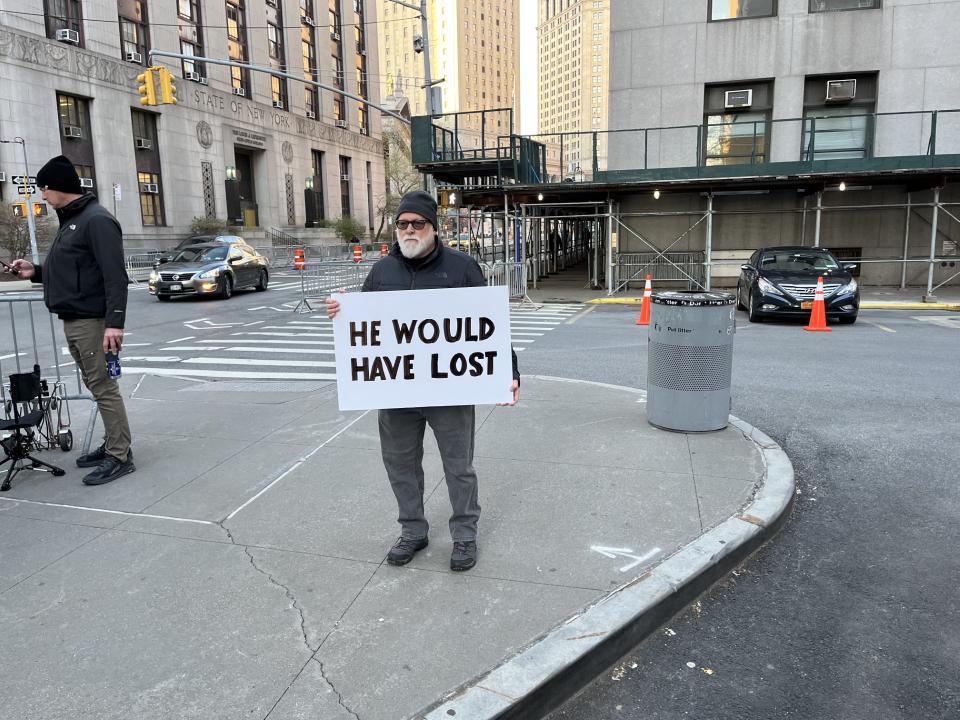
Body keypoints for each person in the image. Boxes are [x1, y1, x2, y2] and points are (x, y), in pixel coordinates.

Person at [326, 190, 519, 572]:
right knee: (400, 464)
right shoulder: (382, 271)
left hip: (449, 390)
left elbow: (489, 326)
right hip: (396, 391)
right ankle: (413, 530)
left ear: (433, 227)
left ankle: (465, 536)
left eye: (417, 223)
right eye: (402, 224)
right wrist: (342, 313)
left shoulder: (462, 267)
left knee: (458, 466)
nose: (409, 230)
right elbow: (366, 327)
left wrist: (507, 371)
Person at [10, 156, 134, 486]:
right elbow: (72, 270)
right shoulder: (73, 221)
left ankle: (120, 455)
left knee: (105, 389)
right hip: (76, 319)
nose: (42, 196)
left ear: (56, 188)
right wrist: (34, 271)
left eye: (43, 189)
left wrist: (114, 324)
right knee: (98, 387)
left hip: (93, 323)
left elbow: (115, 277)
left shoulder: (96, 221)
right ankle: (112, 444)